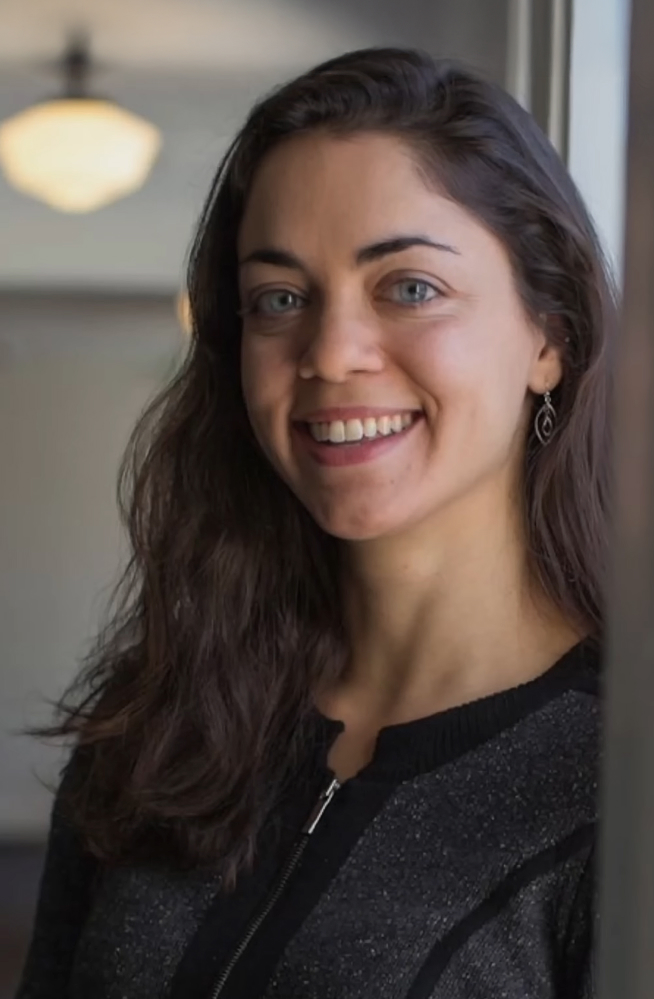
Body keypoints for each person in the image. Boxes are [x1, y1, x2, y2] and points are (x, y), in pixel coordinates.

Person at [16, 47, 615, 999]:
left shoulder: (626, 784)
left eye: (409, 287)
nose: (330, 353)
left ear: (549, 336)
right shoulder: (165, 714)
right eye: (280, 300)